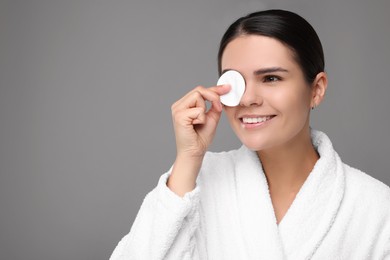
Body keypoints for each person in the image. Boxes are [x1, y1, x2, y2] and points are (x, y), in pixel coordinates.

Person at [110, 9, 390, 259]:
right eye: (235, 82)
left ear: (316, 89)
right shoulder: (196, 180)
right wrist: (188, 158)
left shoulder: (375, 207)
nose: (247, 99)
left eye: (271, 78)